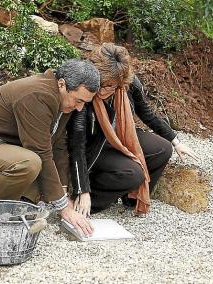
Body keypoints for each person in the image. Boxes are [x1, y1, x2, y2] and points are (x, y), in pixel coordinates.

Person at [0, 59, 100, 236]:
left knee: (45, 177)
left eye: (84, 103)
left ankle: (14, 208)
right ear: (62, 84)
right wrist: (63, 208)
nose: (79, 108)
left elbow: (58, 145)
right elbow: (41, 152)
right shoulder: (37, 95)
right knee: (29, 163)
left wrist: (64, 192)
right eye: (78, 100)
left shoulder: (61, 99)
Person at [67, 43, 197, 216]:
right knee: (133, 173)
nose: (104, 91)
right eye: (103, 85)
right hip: (95, 146)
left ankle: (131, 197)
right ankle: (85, 204)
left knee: (163, 149)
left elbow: (147, 113)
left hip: (120, 136)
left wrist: (176, 141)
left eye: (112, 86)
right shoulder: (85, 90)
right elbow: (77, 145)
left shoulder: (128, 84)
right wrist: (82, 190)